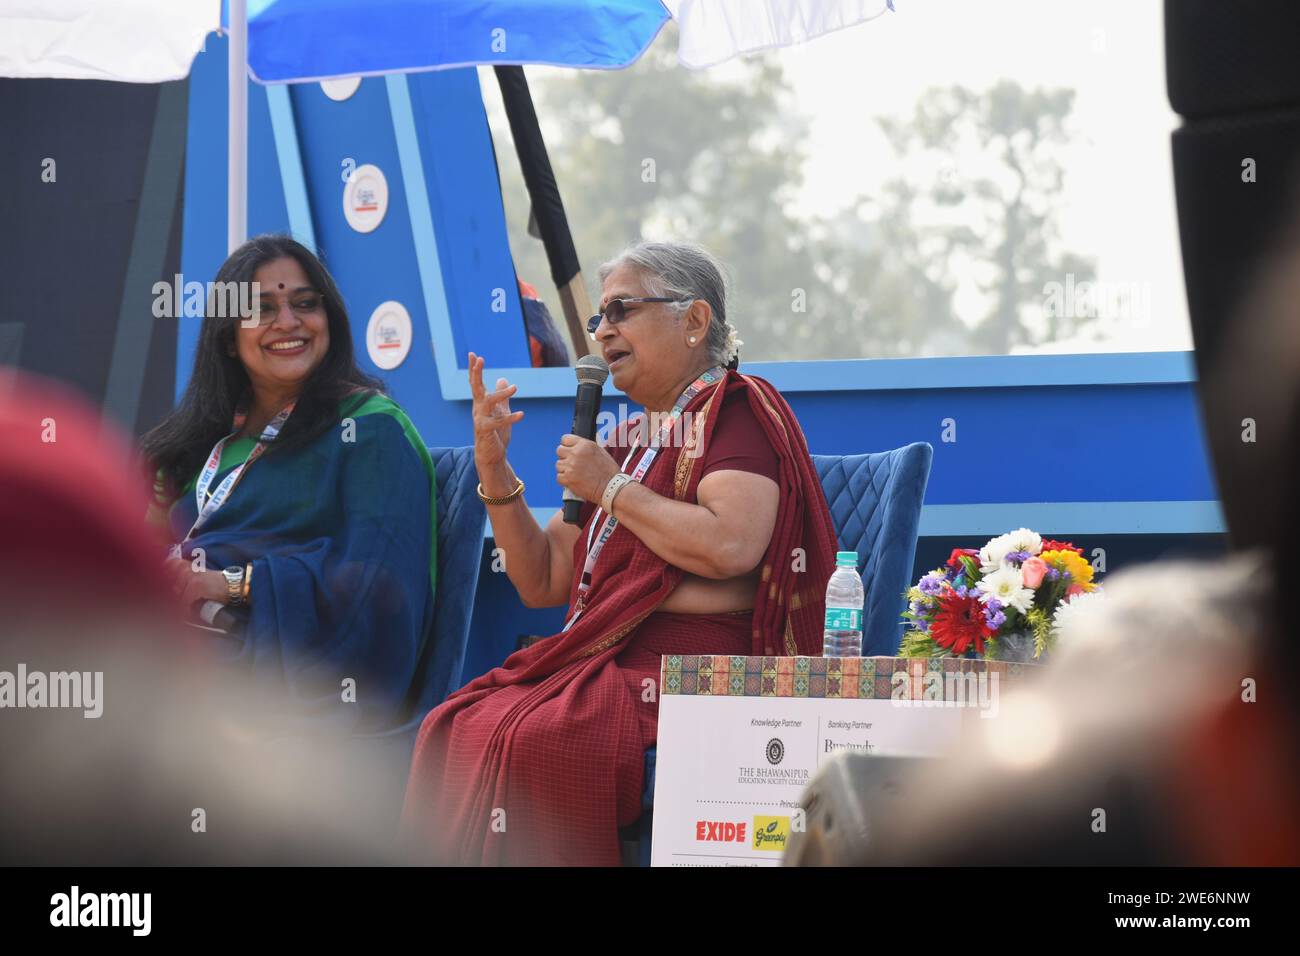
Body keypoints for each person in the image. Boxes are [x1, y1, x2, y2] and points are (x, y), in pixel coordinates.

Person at [402, 241, 838, 865]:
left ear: (694, 321)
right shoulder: (627, 440)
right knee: (453, 724)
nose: (602, 331)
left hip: (698, 674)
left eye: (622, 310)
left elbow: (731, 546)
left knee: (540, 739)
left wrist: (609, 486)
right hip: (608, 662)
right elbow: (545, 579)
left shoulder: (735, 411)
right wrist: (494, 472)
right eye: (597, 318)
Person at [141, 235, 437, 737]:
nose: (289, 323)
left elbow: (377, 592)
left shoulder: (370, 429)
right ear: (228, 336)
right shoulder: (203, 440)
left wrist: (234, 585)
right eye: (262, 309)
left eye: (304, 304)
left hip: (296, 689)